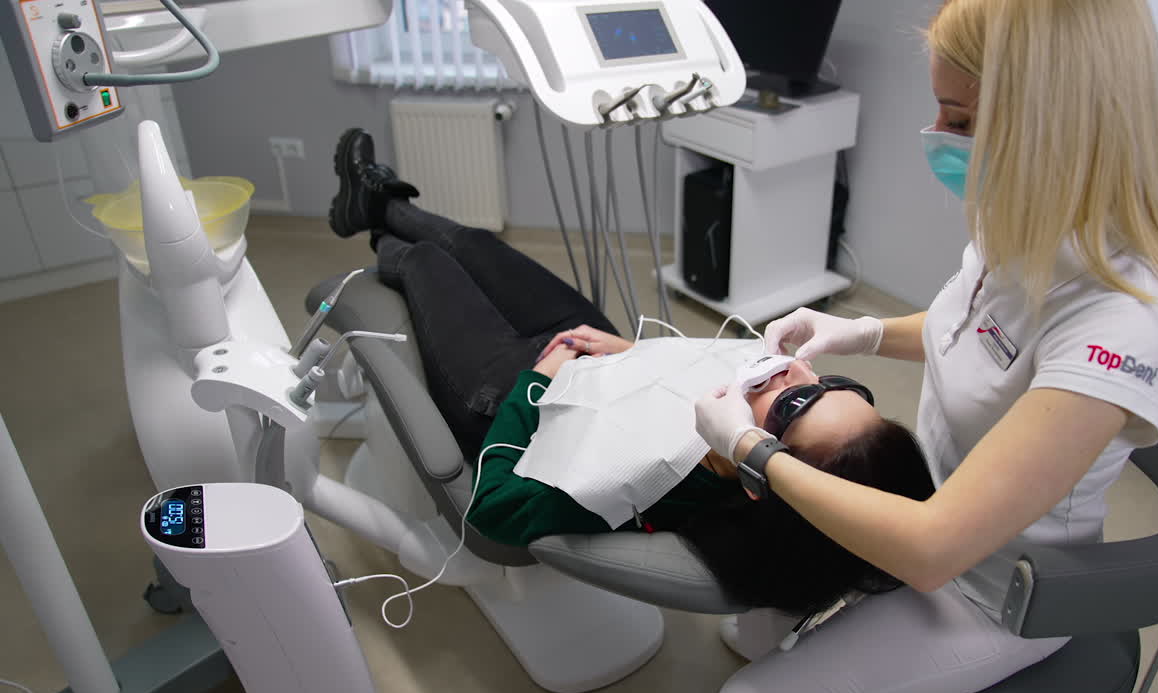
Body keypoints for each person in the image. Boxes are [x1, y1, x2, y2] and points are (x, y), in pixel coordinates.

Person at [691, 0, 1158, 693]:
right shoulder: (1027, 220)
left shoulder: (1126, 322)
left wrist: (750, 448)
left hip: (995, 589)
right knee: (749, 624)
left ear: (1058, 124)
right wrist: (860, 332)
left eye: (962, 121)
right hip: (925, 500)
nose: (940, 136)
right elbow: (977, 331)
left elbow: (933, 551)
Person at [326, 128, 936, 618]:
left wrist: (535, 384)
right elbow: (678, 377)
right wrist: (633, 355)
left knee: (428, 261)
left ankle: (384, 230)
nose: (791, 373)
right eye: (829, 383)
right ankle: (379, 203)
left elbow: (493, 508)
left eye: (791, 407)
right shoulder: (748, 398)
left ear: (757, 475)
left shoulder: (635, 483)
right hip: (600, 354)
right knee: (477, 247)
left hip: (509, 394)